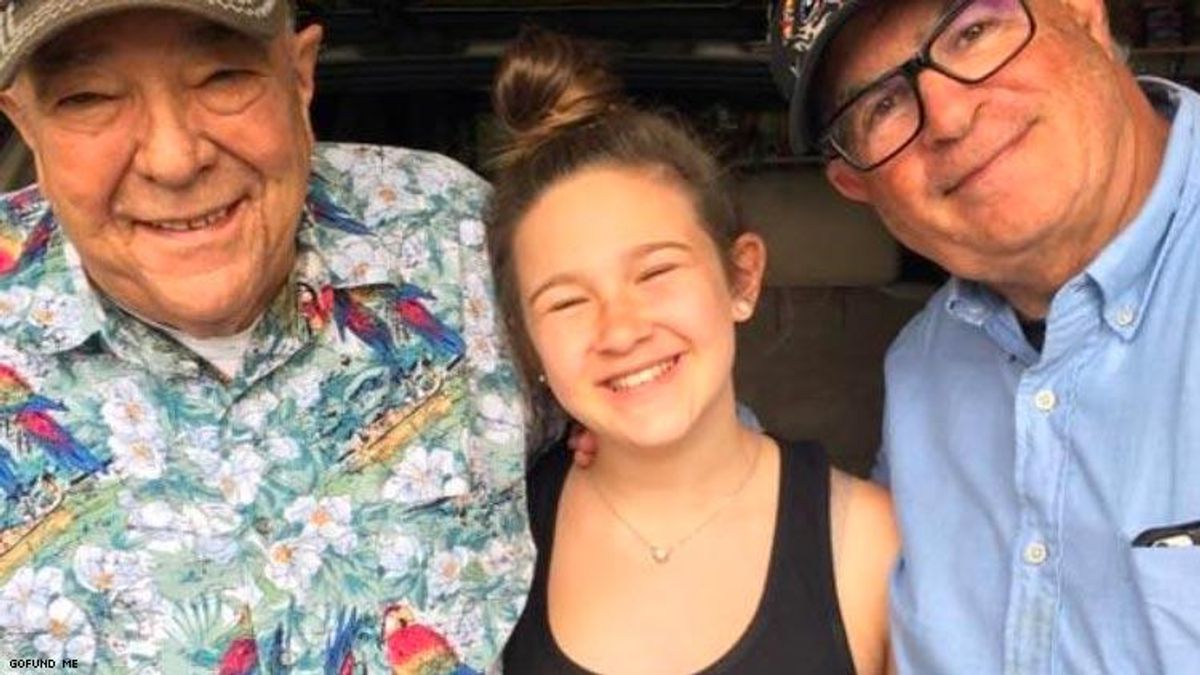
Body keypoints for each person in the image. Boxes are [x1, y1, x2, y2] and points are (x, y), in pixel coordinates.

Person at [0, 1, 531, 671]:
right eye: (89, 97)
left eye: (222, 77)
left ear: (300, 76)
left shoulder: (456, 237)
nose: (173, 159)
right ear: (25, 123)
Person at [770, 0, 1200, 672]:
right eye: (882, 105)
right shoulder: (922, 368)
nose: (948, 116)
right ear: (857, 185)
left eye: (971, 33)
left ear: (1084, 13)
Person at [487, 28, 898, 675]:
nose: (620, 331)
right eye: (566, 302)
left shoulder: (870, 543)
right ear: (527, 341)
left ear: (741, 278)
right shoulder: (490, 542)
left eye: (655, 272)